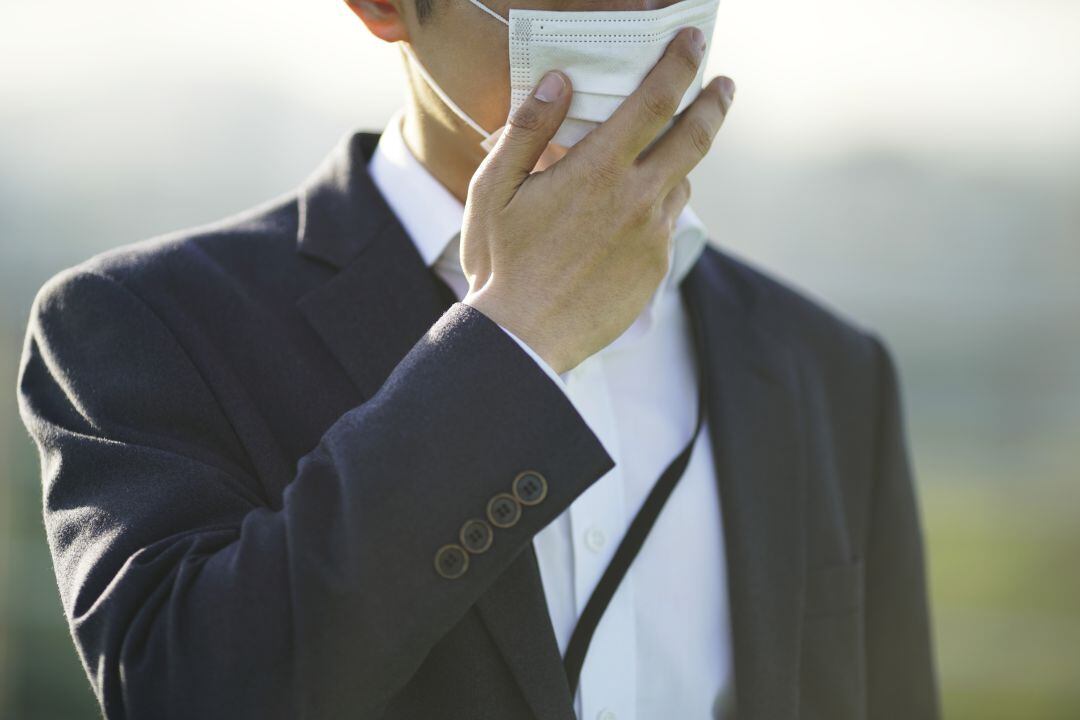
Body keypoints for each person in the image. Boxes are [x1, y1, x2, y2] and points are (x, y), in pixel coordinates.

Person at [15, 0, 939, 717]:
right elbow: (192, 693)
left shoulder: (829, 368)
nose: (635, 23)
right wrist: (514, 337)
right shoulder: (142, 326)